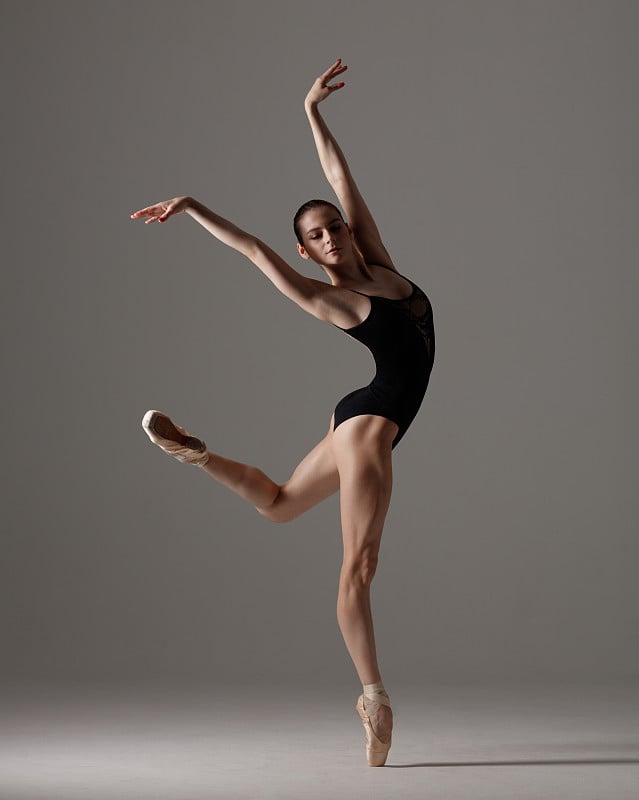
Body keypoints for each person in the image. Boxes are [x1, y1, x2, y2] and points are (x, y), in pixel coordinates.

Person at [130, 58, 435, 767]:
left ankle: (197, 453)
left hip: (357, 416)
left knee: (275, 505)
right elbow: (253, 251)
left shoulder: (383, 265)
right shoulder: (333, 299)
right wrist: (192, 205)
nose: (333, 235)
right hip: (368, 430)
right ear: (309, 251)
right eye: (319, 236)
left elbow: (339, 176)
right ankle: (374, 696)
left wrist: (311, 110)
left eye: (337, 227)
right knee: (357, 570)